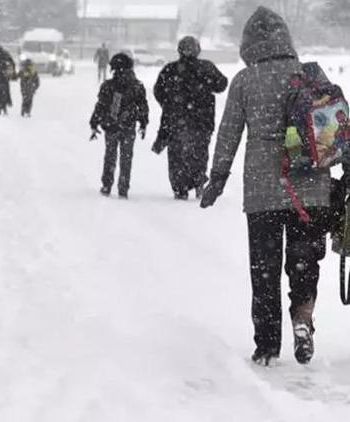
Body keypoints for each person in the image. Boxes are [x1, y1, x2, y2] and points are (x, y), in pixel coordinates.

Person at [200, 7, 333, 366]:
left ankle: (267, 345)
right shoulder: (308, 76)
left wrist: (217, 177)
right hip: (312, 189)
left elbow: (228, 133)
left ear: (248, 43)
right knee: (304, 262)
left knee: (265, 269)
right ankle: (303, 319)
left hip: (263, 191)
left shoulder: (245, 80)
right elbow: (332, 132)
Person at [153, 36, 228, 200]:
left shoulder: (170, 70)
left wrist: (169, 104)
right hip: (203, 121)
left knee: (177, 156)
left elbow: (158, 91)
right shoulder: (206, 67)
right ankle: (198, 181)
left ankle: (180, 188)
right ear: (197, 50)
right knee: (199, 153)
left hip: (176, 121)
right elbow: (222, 84)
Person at [89, 53, 148, 199]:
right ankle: (123, 186)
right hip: (128, 126)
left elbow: (101, 106)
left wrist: (94, 122)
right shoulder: (137, 86)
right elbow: (143, 106)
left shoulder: (108, 86)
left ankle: (107, 184)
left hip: (111, 126)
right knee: (126, 157)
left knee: (110, 156)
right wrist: (143, 122)